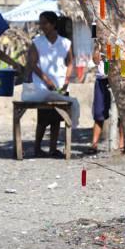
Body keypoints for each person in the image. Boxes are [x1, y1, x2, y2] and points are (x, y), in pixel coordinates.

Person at [28, 11, 74, 158]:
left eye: (44, 23)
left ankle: (53, 148)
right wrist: (46, 80)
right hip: (42, 87)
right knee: (42, 119)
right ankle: (37, 147)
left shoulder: (65, 43)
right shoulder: (37, 42)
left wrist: (66, 81)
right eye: (40, 23)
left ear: (53, 24)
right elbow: (32, 63)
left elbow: (70, 63)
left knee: (57, 119)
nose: (42, 26)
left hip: (61, 86)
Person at [85, 44, 125, 154]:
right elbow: (95, 60)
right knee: (99, 113)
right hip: (102, 80)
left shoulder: (121, 38)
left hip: (118, 79)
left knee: (122, 113)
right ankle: (94, 143)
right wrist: (99, 50)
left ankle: (122, 143)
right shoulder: (99, 42)